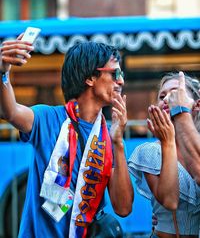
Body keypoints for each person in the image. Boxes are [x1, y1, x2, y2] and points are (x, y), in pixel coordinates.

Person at [0, 35, 133, 238]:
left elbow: (123, 208)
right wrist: (3, 72)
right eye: (114, 73)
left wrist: (118, 142)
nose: (121, 80)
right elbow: (10, 112)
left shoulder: (108, 136)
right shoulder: (49, 119)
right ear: (89, 78)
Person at [128, 72, 200, 237]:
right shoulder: (151, 151)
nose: (167, 98)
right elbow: (170, 201)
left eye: (175, 93)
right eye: (162, 96)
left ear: (196, 105)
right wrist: (168, 142)